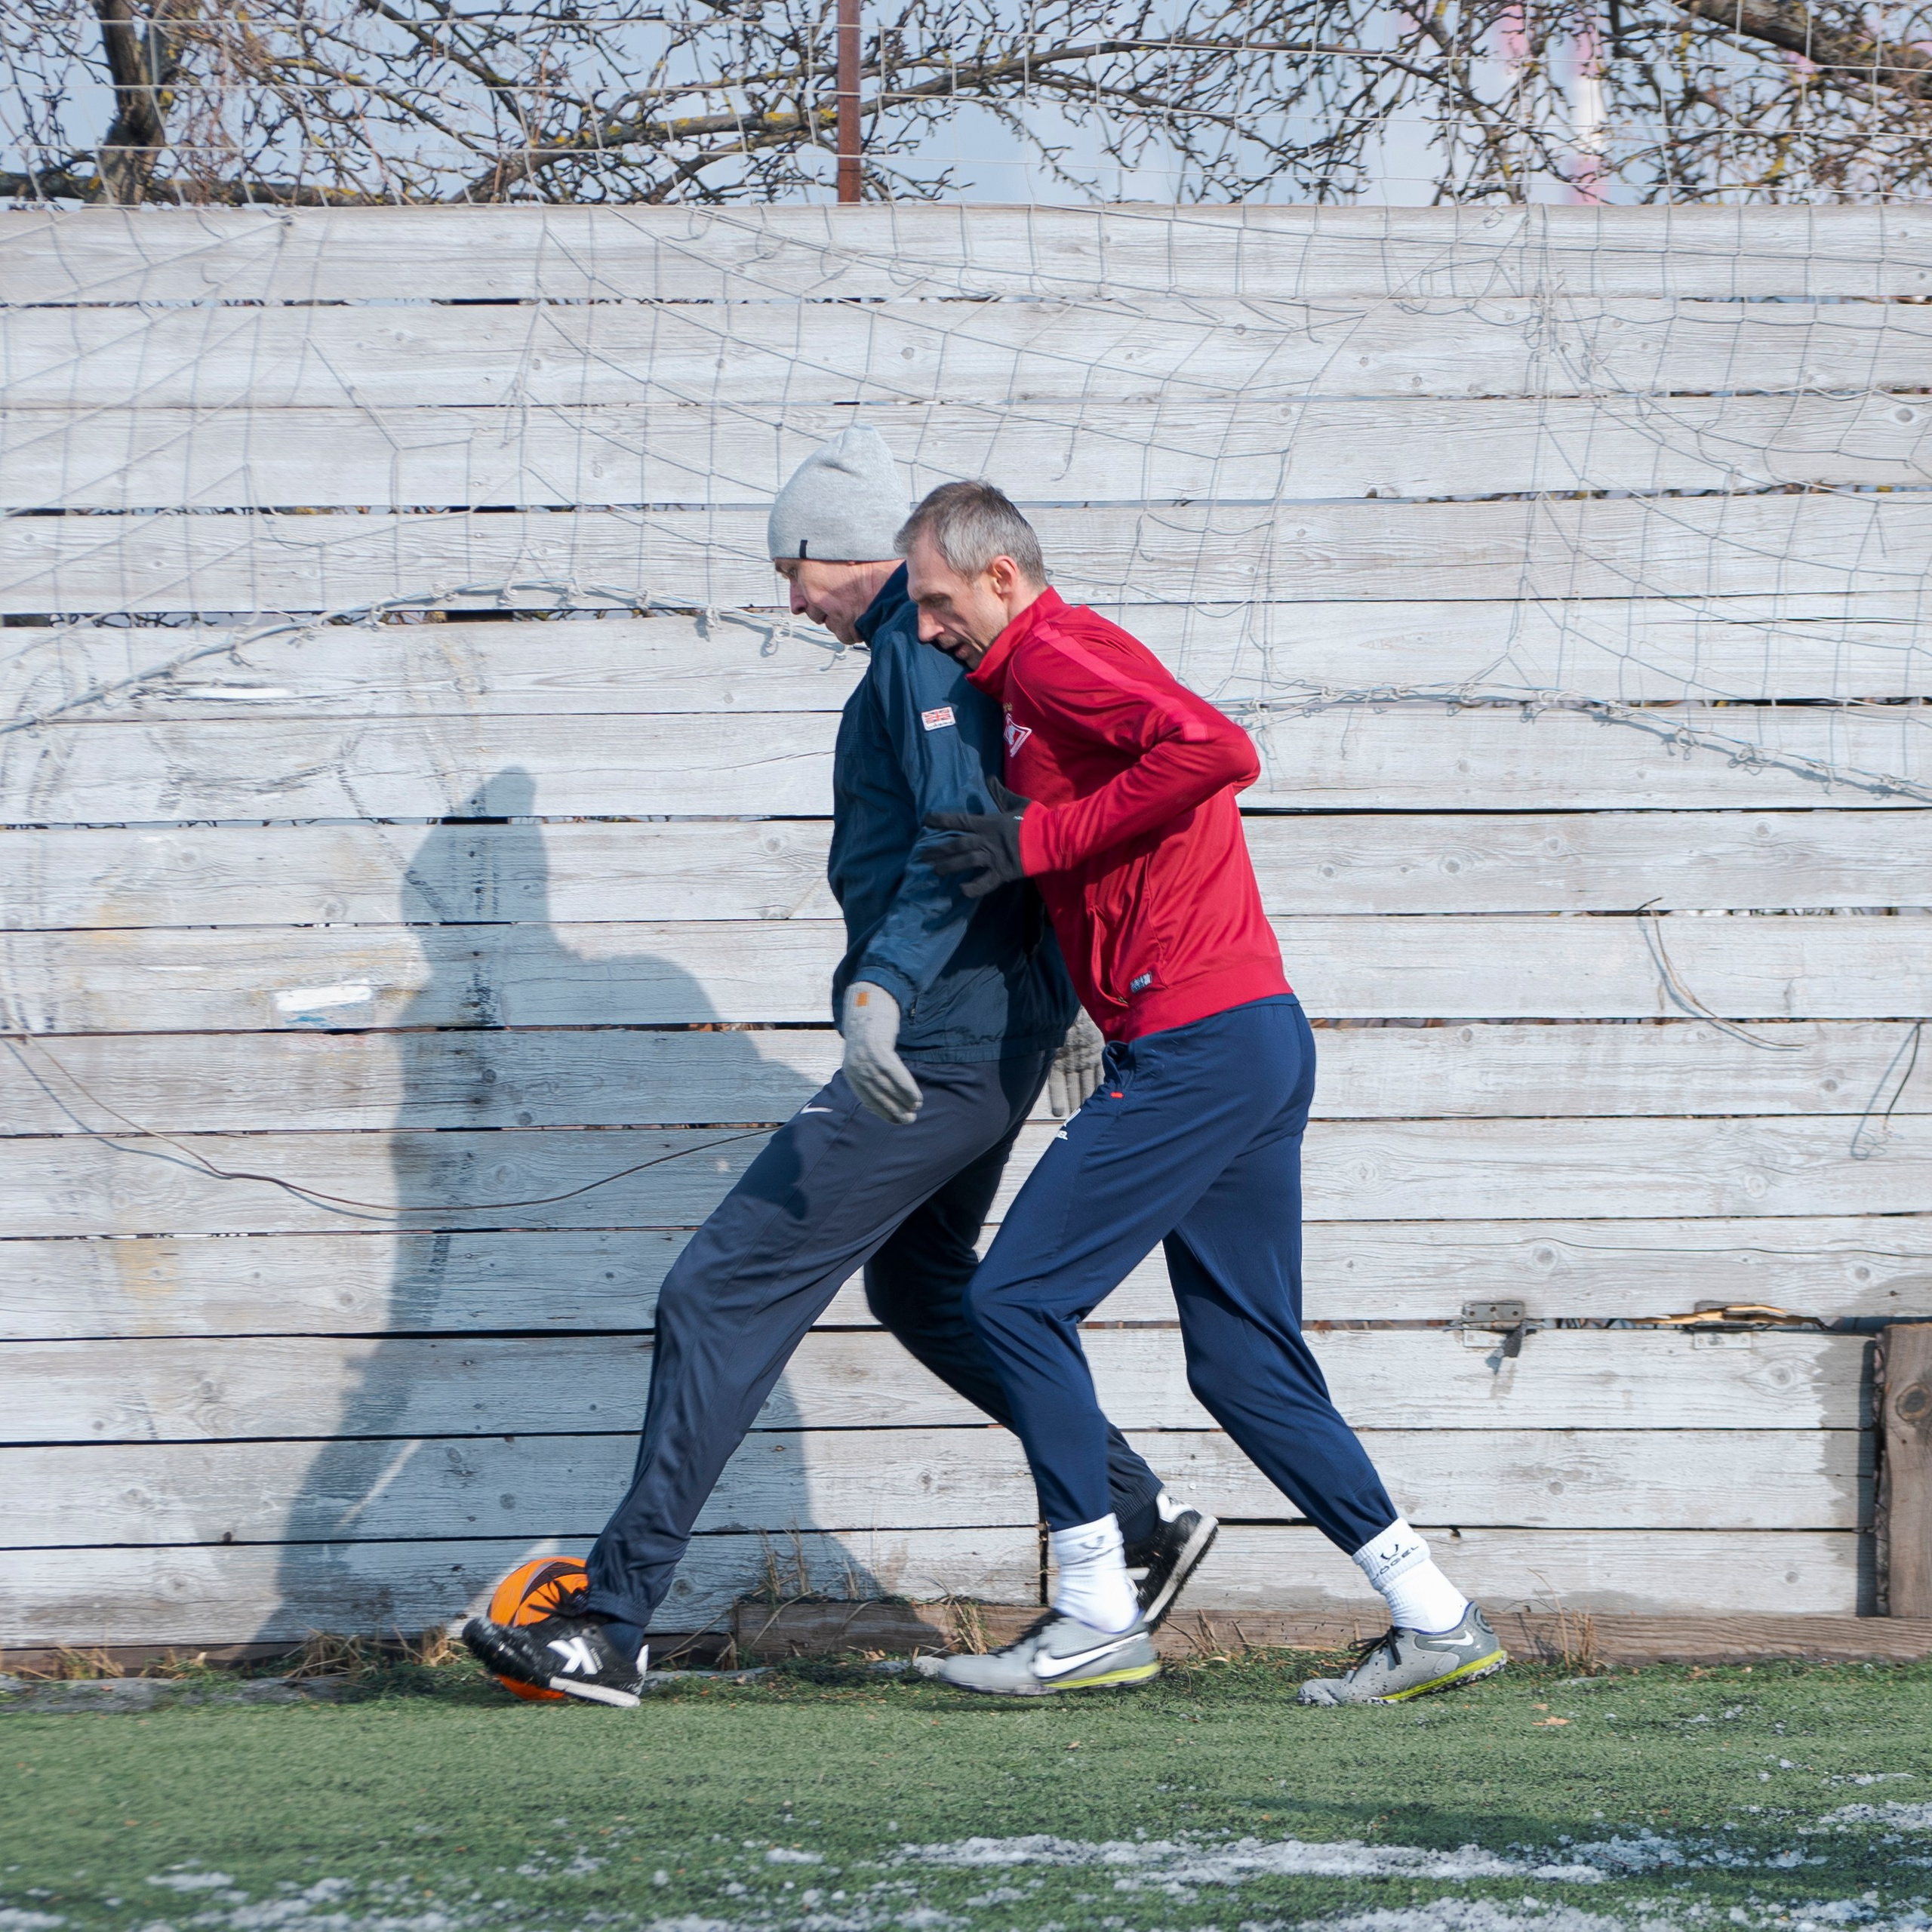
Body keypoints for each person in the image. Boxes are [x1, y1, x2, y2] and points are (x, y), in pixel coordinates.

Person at [462, 431, 1217, 1707]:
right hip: (980, 1037)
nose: (789, 599)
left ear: (840, 553)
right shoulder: (922, 656)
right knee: (923, 1289)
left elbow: (962, 845)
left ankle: (612, 1621)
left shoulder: (917, 655)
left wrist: (882, 994)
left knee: (717, 1291)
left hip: (942, 1045)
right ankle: (1134, 1516)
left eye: (792, 571)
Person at [899, 479, 1507, 1705]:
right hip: (1246, 1037)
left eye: (938, 600)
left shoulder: (1056, 652)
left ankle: (1093, 1613)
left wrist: (1037, 844)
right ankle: (1436, 1615)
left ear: (1002, 577)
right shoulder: (1023, 687)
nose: (926, 627)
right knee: (1241, 1367)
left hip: (1201, 1041)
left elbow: (1219, 749)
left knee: (1014, 1297)